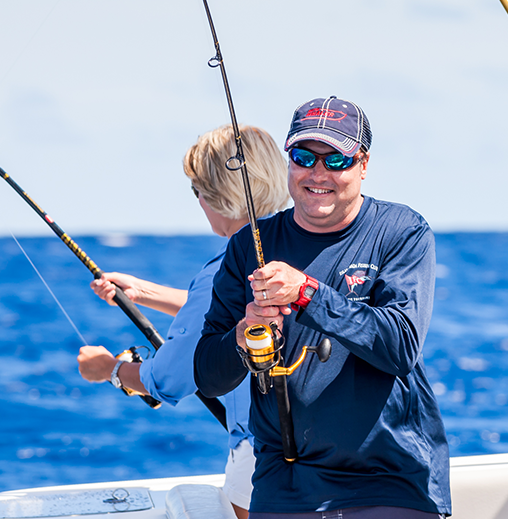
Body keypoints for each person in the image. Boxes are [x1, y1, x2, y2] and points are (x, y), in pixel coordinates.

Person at [194, 96, 451, 518]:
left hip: (390, 480)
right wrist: (242, 337)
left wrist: (307, 293)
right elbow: (207, 374)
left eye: (336, 160)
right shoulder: (248, 245)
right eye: (303, 157)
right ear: (288, 162)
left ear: (363, 165)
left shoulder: (402, 231)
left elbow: (401, 346)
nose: (318, 173)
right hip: (286, 482)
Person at [76, 124, 290, 519]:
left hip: (265, 463)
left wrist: (111, 369)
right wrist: (143, 293)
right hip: (329, 454)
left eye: (196, 191)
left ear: (214, 196)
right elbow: (234, 312)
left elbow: (170, 379)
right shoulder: (305, 248)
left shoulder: (222, 270)